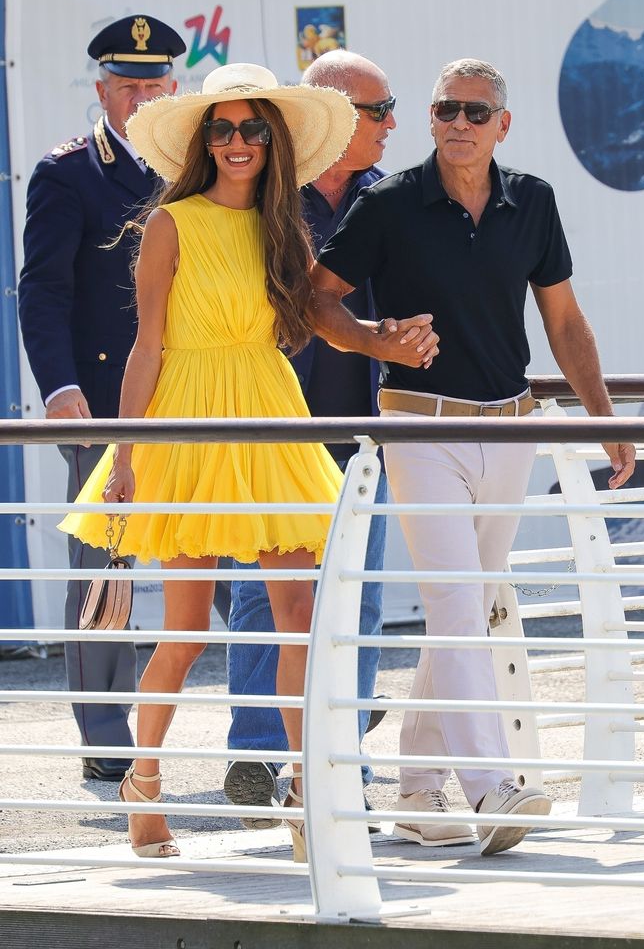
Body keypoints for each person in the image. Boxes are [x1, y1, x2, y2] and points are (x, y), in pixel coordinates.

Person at [58, 63, 436, 861]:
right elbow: (146, 345)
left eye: (253, 129)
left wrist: (378, 339)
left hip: (268, 416)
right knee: (188, 630)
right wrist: (127, 455)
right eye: (222, 129)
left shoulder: (281, 227)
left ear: (273, 142)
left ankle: (306, 792)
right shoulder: (171, 223)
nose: (237, 142)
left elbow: (314, 319)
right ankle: (144, 785)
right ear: (203, 142)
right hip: (188, 423)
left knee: (298, 620)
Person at [308, 58, 636, 856]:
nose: (457, 122)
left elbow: (562, 321)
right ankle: (494, 788)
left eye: (474, 111)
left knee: (464, 610)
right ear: (429, 119)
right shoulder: (388, 204)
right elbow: (316, 299)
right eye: (443, 109)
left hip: (513, 426)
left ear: (502, 125)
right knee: (459, 610)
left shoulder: (534, 202)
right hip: (417, 426)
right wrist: (374, 338)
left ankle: (419, 795)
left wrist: (601, 416)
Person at [222, 50, 396, 829]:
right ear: (330, 113)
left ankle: (339, 766)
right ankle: (260, 755)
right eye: (378, 109)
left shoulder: (389, 199)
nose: (393, 124)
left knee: (352, 603)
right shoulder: (259, 197)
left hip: (365, 435)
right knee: (266, 600)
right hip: (274, 427)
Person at [18, 15, 185, 783]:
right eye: (129, 87)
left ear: (174, 89)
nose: (143, 99)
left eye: (156, 86)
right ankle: (105, 733)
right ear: (102, 91)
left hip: (196, 393)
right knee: (105, 569)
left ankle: (283, 684)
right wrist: (61, 388)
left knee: (239, 547)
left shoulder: (202, 164)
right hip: (105, 398)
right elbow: (42, 292)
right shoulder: (69, 173)